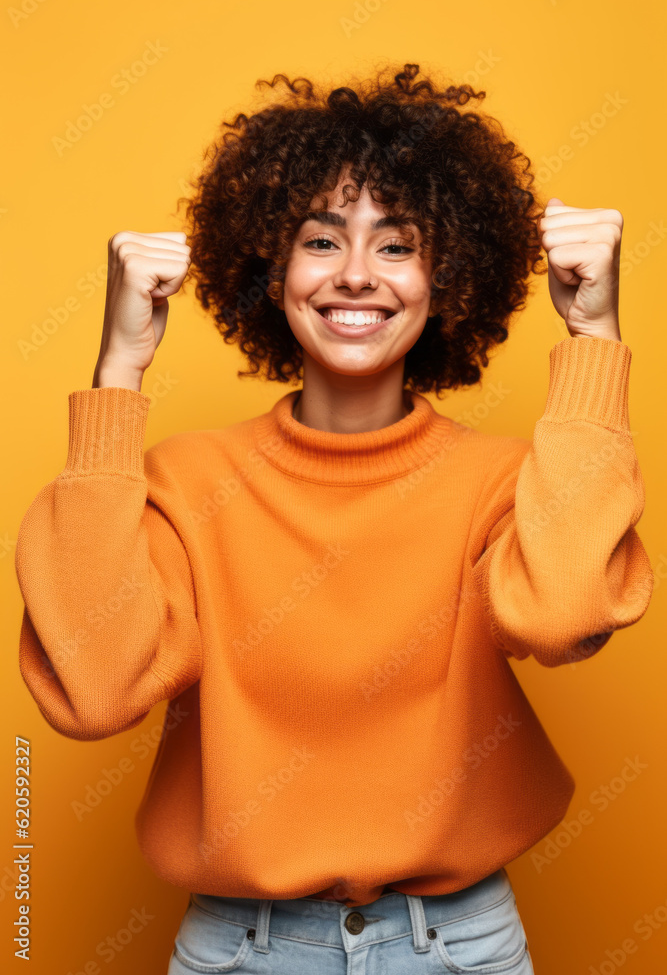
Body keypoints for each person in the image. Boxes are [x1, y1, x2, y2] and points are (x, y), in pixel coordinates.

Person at [15, 63, 653, 974]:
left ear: (446, 277)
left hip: (459, 946)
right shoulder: (185, 482)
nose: (356, 275)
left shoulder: (505, 480)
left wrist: (593, 337)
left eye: (396, 246)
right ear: (269, 273)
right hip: (242, 948)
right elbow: (93, 689)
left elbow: (558, 616)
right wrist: (119, 370)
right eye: (321, 241)